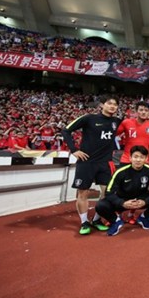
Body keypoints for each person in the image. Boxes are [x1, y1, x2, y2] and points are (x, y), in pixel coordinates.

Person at [61, 94, 122, 235]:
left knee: (107, 193)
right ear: (101, 105)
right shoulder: (89, 118)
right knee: (83, 192)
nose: (112, 106)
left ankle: (96, 220)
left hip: (105, 163)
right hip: (87, 162)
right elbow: (66, 130)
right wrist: (74, 150)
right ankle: (84, 223)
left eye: (115, 104)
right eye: (109, 103)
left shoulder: (117, 121)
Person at [95, 146, 149, 236]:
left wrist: (145, 201)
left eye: (141, 157)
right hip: (123, 200)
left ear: (146, 159)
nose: (138, 160)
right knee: (101, 205)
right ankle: (116, 221)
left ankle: (143, 218)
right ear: (130, 158)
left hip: (141, 199)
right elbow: (109, 192)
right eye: (135, 157)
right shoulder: (120, 172)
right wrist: (122, 203)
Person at [116, 101, 149, 223]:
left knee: (140, 189)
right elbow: (114, 133)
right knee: (121, 188)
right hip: (127, 159)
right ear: (136, 111)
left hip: (144, 162)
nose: (143, 112)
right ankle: (118, 214)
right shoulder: (127, 123)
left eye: (146, 110)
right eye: (141, 110)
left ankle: (132, 214)